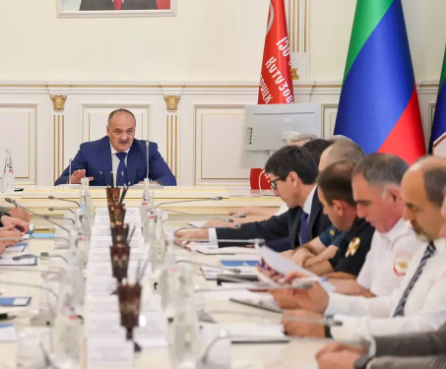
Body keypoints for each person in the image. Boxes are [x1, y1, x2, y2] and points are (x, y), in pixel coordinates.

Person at [281, 157, 446, 342]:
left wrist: (331, 328)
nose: (406, 216)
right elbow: (394, 304)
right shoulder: (428, 247)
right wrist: (327, 303)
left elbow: (428, 328)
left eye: (413, 207)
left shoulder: (418, 241)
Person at [176, 146, 330, 251]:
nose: (275, 192)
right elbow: (261, 230)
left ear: (293, 179)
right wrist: (202, 235)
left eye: (274, 184)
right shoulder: (298, 210)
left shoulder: (328, 207)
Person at [284, 140, 366, 268]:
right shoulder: (342, 214)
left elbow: (328, 262)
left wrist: (292, 263)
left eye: (321, 174)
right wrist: (301, 252)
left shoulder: (358, 217)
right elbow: (313, 246)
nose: (317, 181)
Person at [55, 108, 176, 186]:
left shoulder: (147, 150)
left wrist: (153, 185)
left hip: (137, 209)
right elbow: (59, 182)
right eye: (118, 131)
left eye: (129, 131)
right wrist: (72, 181)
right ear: (108, 130)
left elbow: (169, 180)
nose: (124, 137)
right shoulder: (89, 151)